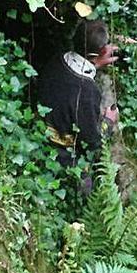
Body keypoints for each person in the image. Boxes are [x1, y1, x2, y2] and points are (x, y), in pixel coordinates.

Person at [36, 20, 120, 188]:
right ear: (102, 51)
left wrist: (96, 60)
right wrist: (109, 122)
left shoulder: (57, 59)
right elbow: (92, 140)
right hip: (61, 154)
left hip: (38, 132)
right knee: (90, 192)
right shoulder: (87, 91)